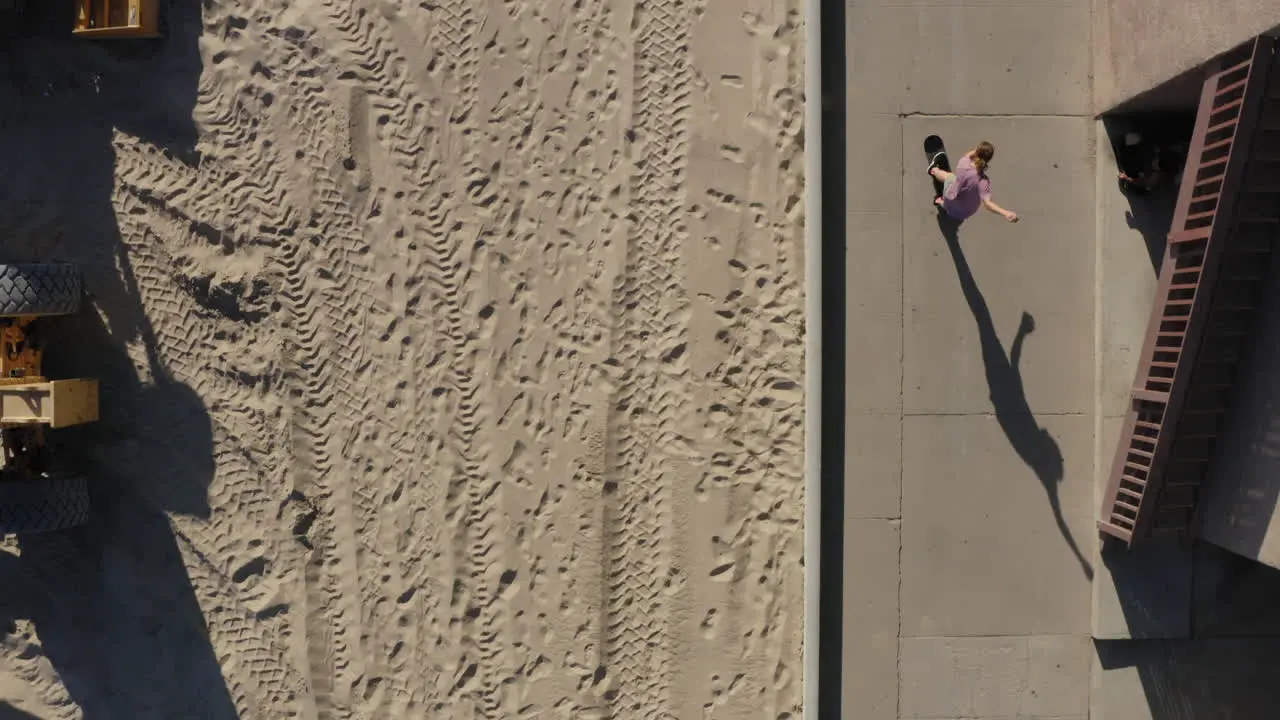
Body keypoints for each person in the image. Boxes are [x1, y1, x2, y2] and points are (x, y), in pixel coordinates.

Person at [928, 141, 1019, 223]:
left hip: (950, 201)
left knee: (949, 176)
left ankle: (933, 170)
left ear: (977, 152)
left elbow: (970, 153)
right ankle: (940, 202)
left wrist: (978, 149)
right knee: (962, 200)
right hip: (966, 213)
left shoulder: (964, 163)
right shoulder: (983, 181)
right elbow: (988, 204)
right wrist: (1006, 213)